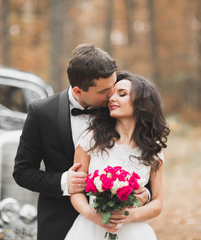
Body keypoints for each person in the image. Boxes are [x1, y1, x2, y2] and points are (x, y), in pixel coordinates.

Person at [13, 43, 120, 240]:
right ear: (78, 91)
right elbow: (22, 172)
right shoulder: (41, 113)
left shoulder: (120, 109)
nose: (113, 94)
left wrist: (143, 194)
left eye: (114, 84)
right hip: (58, 224)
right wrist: (63, 182)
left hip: (113, 224)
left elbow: (138, 155)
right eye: (104, 91)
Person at [64, 70, 170, 240]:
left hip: (133, 232)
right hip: (90, 229)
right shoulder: (90, 139)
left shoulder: (152, 149)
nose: (112, 98)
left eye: (122, 94)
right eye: (112, 94)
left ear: (141, 102)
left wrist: (130, 215)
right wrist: (91, 214)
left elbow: (157, 203)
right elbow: (76, 191)